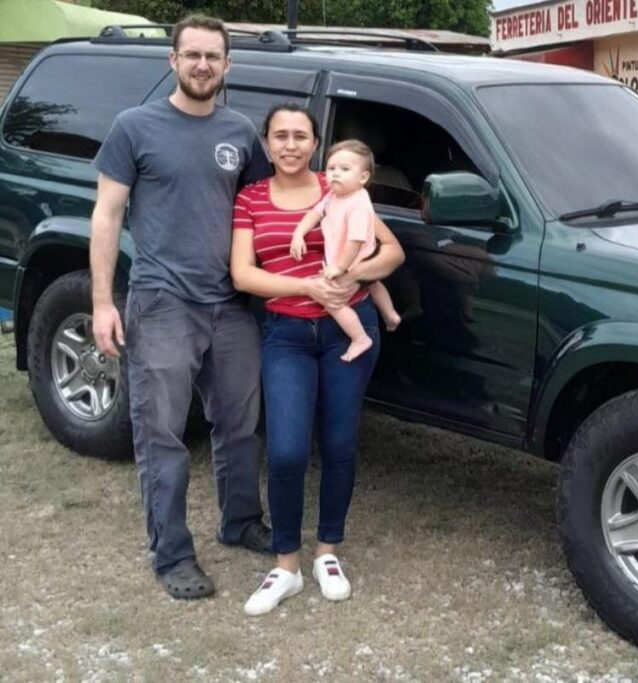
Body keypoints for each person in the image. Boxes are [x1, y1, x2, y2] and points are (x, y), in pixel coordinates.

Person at [90, 15, 274, 600]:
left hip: (232, 306)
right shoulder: (134, 127)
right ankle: (171, 553)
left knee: (241, 425)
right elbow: (107, 216)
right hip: (162, 304)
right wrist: (101, 302)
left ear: (227, 66)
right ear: (172, 60)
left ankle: (240, 520)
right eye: (191, 55)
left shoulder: (242, 133)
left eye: (212, 57)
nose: (202, 65)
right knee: (162, 434)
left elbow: (263, 213)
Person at [230, 104, 405, 615]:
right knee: (285, 449)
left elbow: (392, 253)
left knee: (339, 442)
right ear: (266, 143)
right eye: (280, 136)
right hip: (285, 333)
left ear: (315, 142)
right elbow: (242, 274)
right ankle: (286, 564)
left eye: (300, 136)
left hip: (346, 329)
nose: (290, 144)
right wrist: (305, 284)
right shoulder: (250, 198)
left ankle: (328, 552)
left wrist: (353, 276)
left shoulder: (342, 188)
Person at [289, 139, 401, 362]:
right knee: (374, 284)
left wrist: (339, 267)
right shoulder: (333, 196)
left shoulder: (358, 203)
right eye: (331, 168)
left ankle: (359, 337)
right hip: (360, 256)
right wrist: (298, 233)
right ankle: (390, 315)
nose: (335, 174)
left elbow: (355, 240)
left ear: (363, 178)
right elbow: (315, 213)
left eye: (344, 169)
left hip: (355, 258)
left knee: (332, 299)